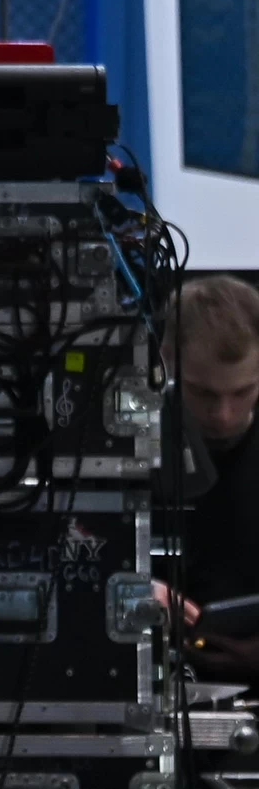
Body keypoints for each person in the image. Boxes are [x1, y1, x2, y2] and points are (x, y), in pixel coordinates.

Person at [154, 275, 259, 680]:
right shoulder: (121, 445)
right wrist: (133, 588)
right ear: (165, 361)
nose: (223, 415)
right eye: (203, 393)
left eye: (243, 392)